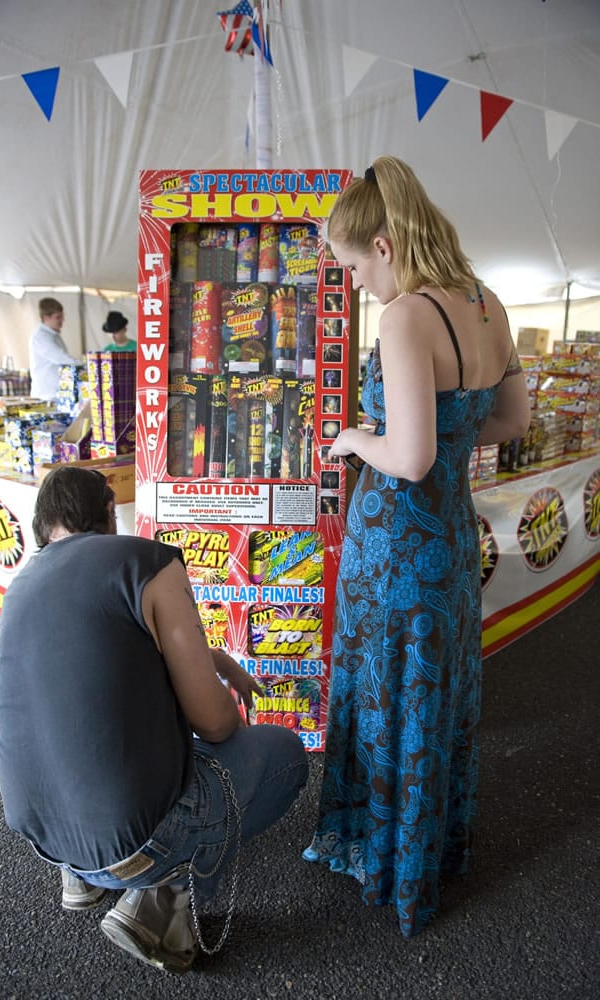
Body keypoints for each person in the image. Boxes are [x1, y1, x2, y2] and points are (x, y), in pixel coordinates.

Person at [303, 156, 530, 938]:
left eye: (356, 266)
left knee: (383, 693)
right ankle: (426, 850)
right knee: (429, 698)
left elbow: (410, 457)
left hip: (396, 546)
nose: (359, 284)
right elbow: (512, 422)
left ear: (388, 245)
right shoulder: (488, 302)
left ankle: (383, 856)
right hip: (451, 546)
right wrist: (440, 431)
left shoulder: (406, 316)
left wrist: (351, 437)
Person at [0, 466, 308, 974]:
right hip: (135, 841)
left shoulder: (19, 587)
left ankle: (85, 877)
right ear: (108, 520)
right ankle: (162, 896)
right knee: (281, 757)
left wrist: (216, 661)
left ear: (41, 526)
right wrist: (222, 706)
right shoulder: (145, 561)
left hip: (45, 837)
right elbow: (217, 725)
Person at [28, 297, 82, 399]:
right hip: (46, 395)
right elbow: (61, 358)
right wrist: (88, 365)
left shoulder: (54, 336)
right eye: (58, 317)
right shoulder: (41, 337)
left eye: (62, 316)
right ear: (46, 318)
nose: (62, 320)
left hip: (55, 392)